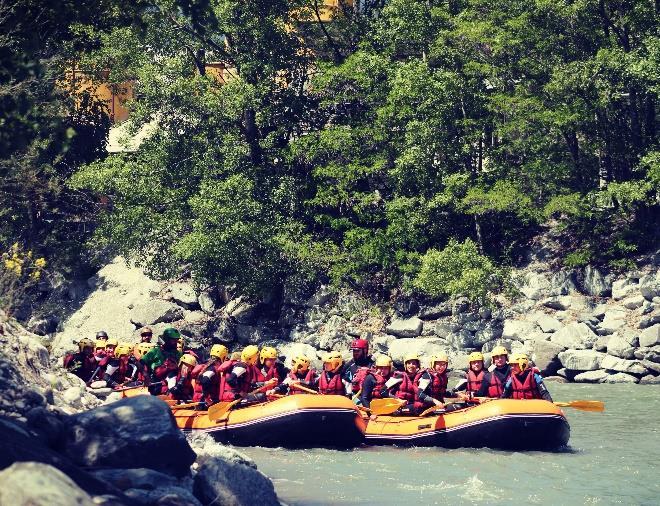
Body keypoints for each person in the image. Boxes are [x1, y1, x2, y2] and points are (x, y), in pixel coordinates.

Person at [140, 327, 183, 394]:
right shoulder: (155, 351)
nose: (176, 342)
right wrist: (146, 375)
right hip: (156, 383)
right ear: (167, 339)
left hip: (172, 381)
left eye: (176, 340)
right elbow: (140, 362)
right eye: (173, 340)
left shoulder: (178, 353)